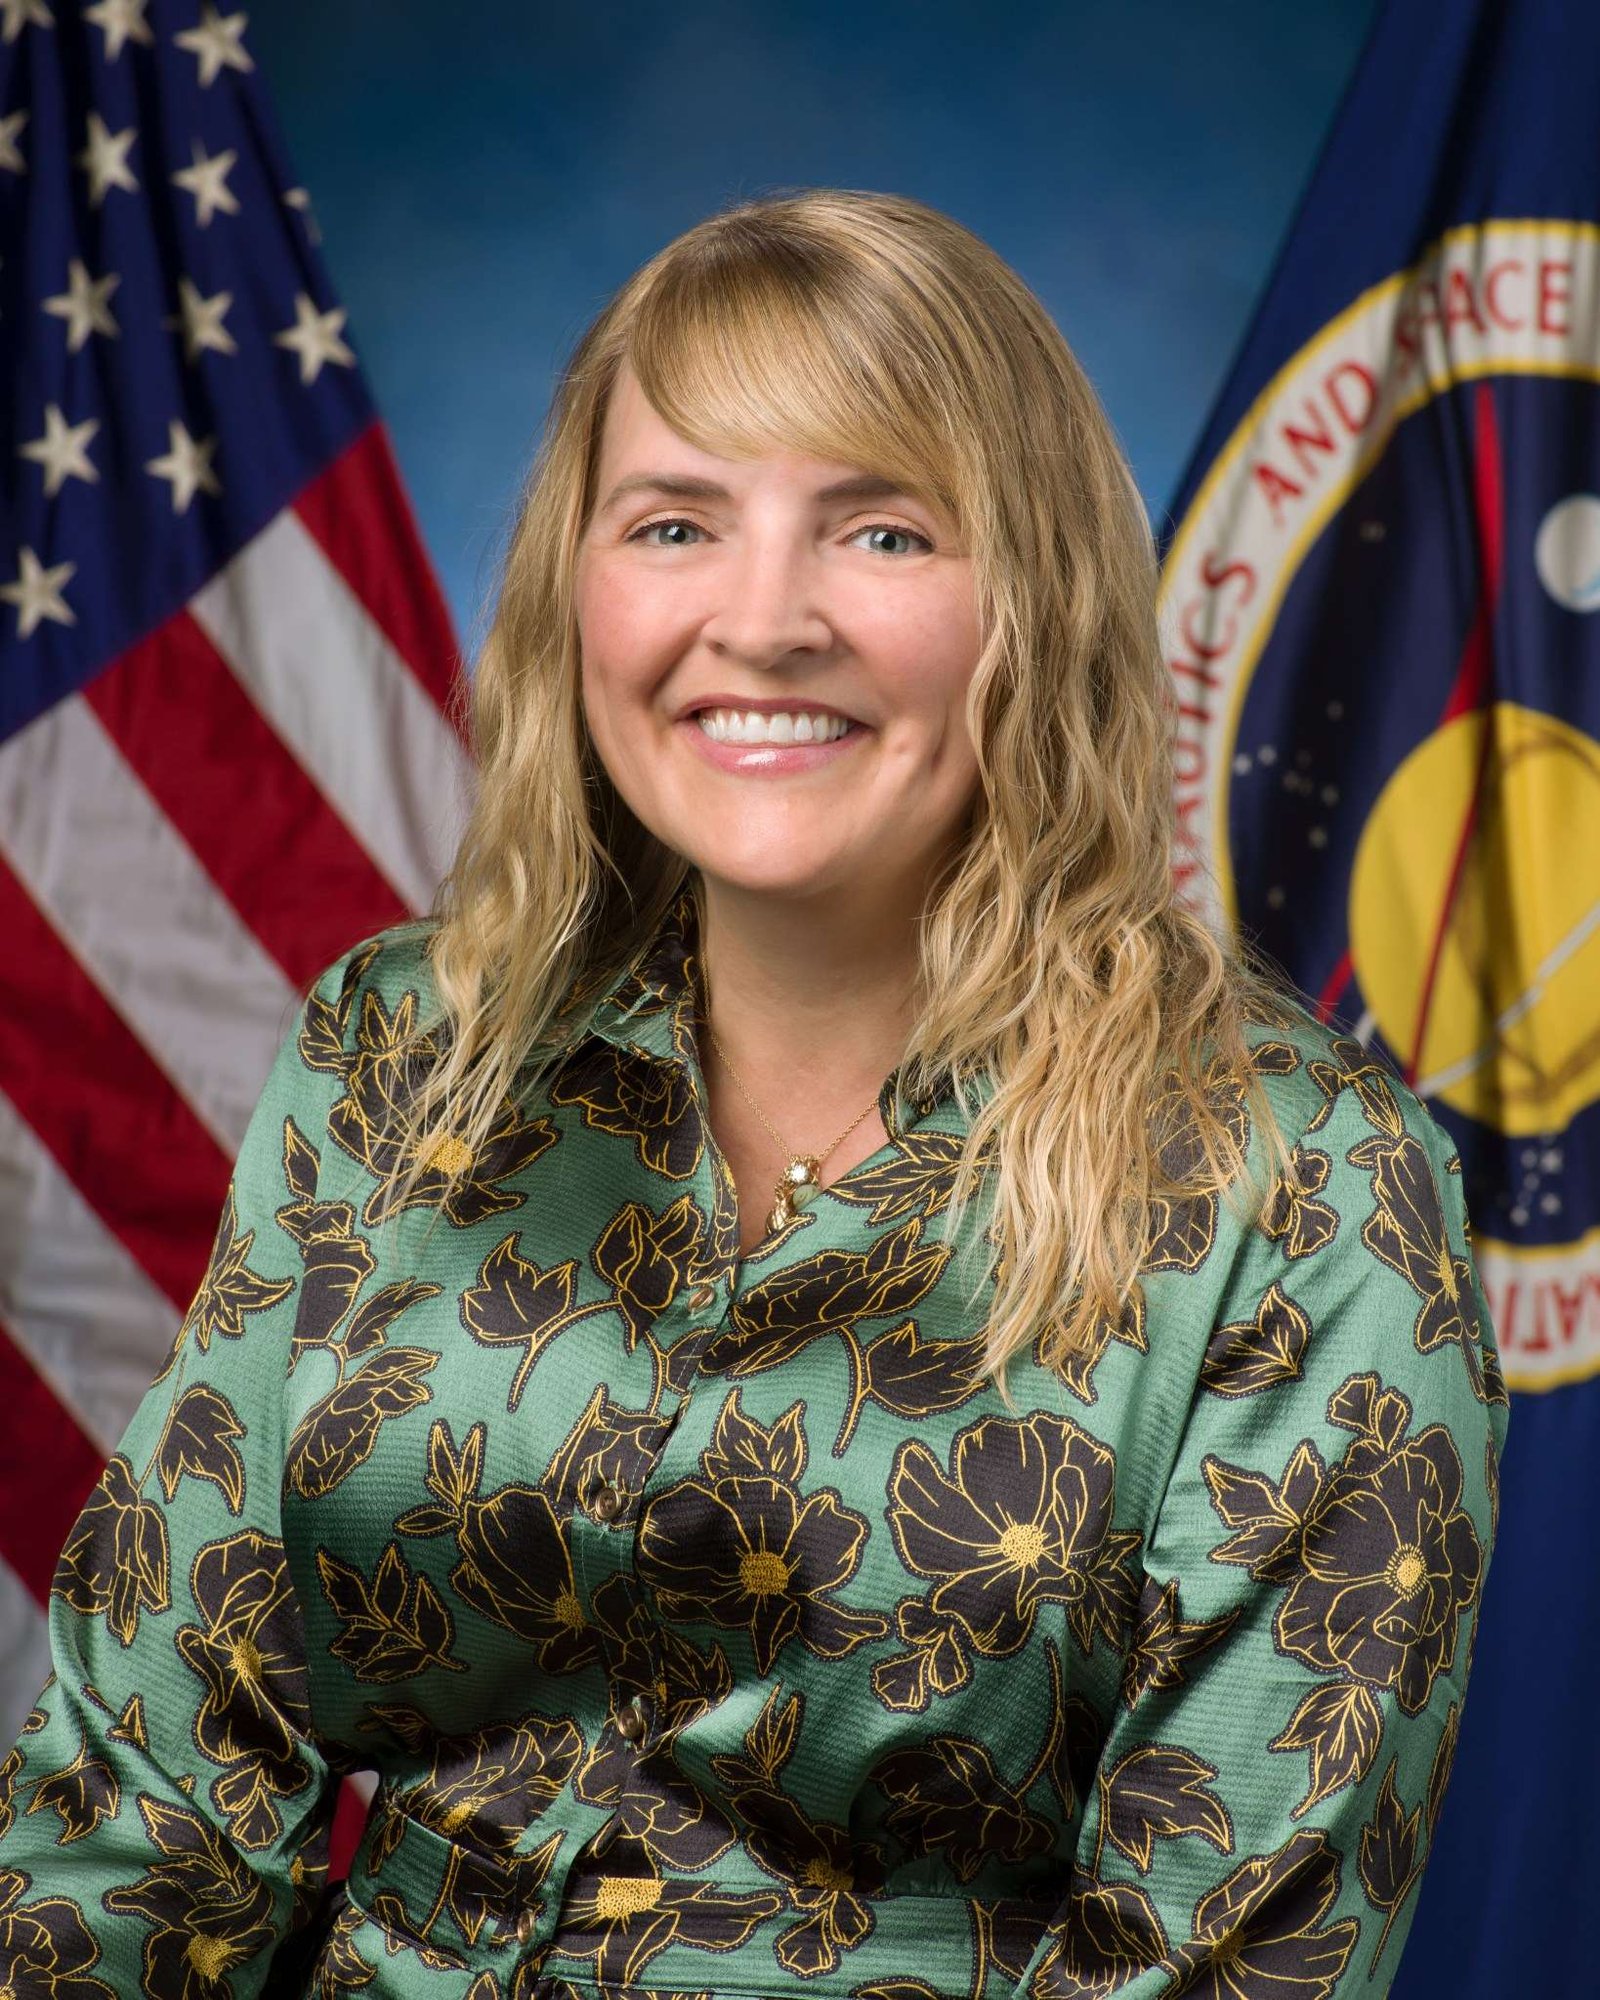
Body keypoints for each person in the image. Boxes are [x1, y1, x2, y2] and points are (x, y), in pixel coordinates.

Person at [0, 189, 1507, 2000]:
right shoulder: (402, 1052)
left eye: (880, 528)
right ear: (581, 587)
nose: (762, 619)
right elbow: (141, 1798)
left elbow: (1239, 1963)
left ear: (1036, 597)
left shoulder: (1307, 1187)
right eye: (676, 522)